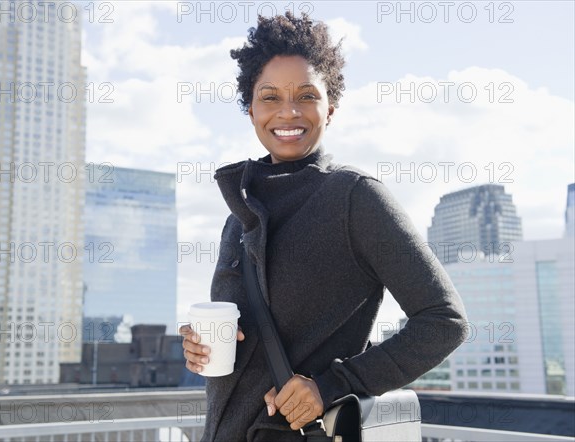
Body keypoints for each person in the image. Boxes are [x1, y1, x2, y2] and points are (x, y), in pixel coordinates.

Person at [179, 12, 468, 442]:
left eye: (306, 95)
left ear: (329, 108)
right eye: (270, 96)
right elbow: (247, 343)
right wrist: (198, 347)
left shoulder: (354, 197)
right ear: (251, 109)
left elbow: (444, 321)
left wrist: (333, 384)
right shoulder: (238, 216)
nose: (288, 111)